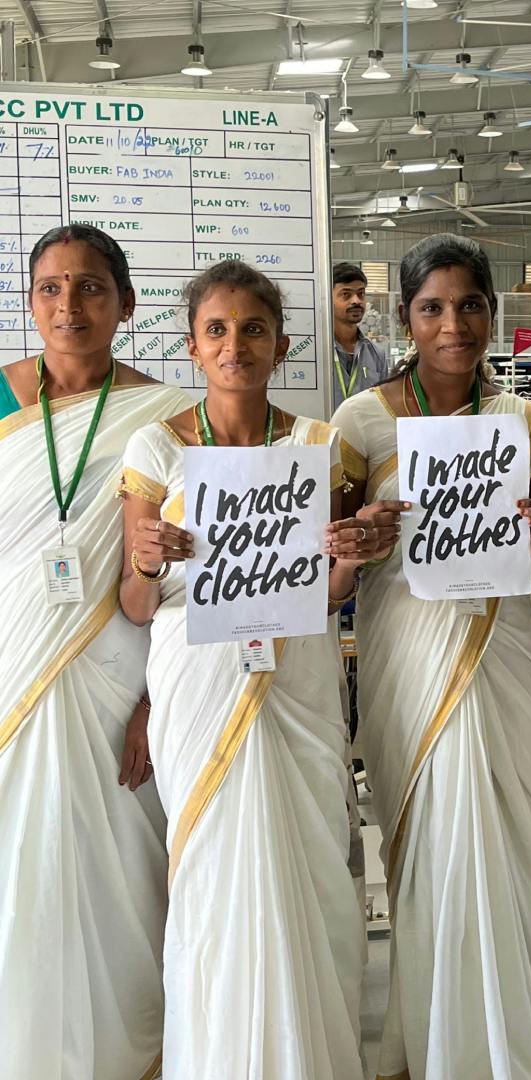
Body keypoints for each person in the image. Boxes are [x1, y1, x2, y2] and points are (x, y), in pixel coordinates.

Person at [118, 260, 372, 1079]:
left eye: (253, 329)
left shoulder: (316, 447)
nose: (236, 346)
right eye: (218, 331)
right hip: (197, 687)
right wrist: (148, 563)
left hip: (295, 681)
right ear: (192, 347)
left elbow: (326, 591)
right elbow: (131, 601)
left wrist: (354, 555)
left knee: (311, 867)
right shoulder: (157, 447)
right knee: (212, 875)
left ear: (281, 343)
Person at [330, 235, 531, 1080]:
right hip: (408, 662)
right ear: (406, 318)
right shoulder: (360, 423)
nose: (453, 324)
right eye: (432, 307)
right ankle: (431, 1048)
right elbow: (330, 559)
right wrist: (358, 538)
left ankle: (509, 1046)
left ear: (492, 314)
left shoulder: (529, 422)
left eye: (470, 305)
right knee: (426, 849)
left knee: (507, 847)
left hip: (500, 654)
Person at [0, 223, 191, 1079]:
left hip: (119, 677)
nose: (68, 305)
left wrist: (158, 698)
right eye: (49, 287)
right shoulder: (2, 399)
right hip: (11, 664)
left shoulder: (164, 418)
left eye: (89, 288)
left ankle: (124, 1053)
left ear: (125, 304)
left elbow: (178, 578)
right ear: (29, 299)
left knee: (116, 868)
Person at [332, 262, 389, 406]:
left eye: (361, 294)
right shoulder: (316, 354)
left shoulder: (377, 355)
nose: (356, 301)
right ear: (327, 298)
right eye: (346, 294)